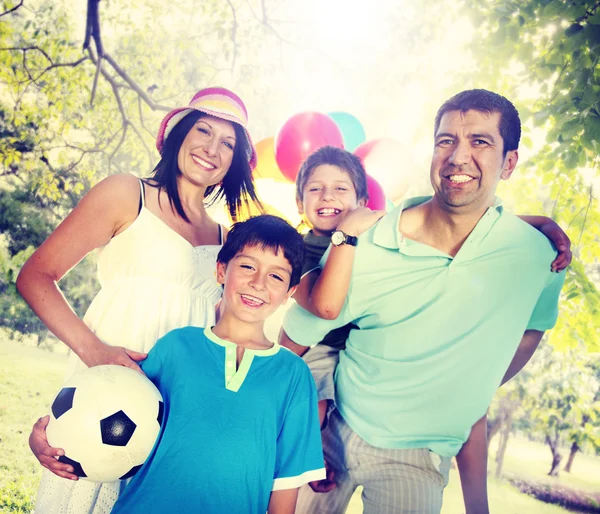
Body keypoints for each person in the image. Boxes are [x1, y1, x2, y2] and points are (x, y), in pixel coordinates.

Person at [279, 90, 567, 514]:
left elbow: (533, 327)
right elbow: (297, 339)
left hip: (415, 458)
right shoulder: (365, 242)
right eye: (446, 141)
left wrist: (476, 383)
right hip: (332, 427)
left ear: (509, 163)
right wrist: (298, 430)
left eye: (480, 142)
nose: (457, 157)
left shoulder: (538, 256)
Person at [18, 86, 261, 513]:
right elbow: (36, 277)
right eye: (203, 131)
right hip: (107, 394)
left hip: (179, 406)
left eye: (228, 143)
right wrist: (96, 352)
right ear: (177, 136)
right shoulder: (127, 193)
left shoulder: (226, 237)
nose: (212, 148)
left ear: (234, 163)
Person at [108, 215, 325, 514]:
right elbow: (111, 422)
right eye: (248, 266)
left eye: (276, 276)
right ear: (221, 270)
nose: (258, 282)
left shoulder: (293, 375)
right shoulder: (176, 347)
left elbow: (285, 484)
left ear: (289, 293)